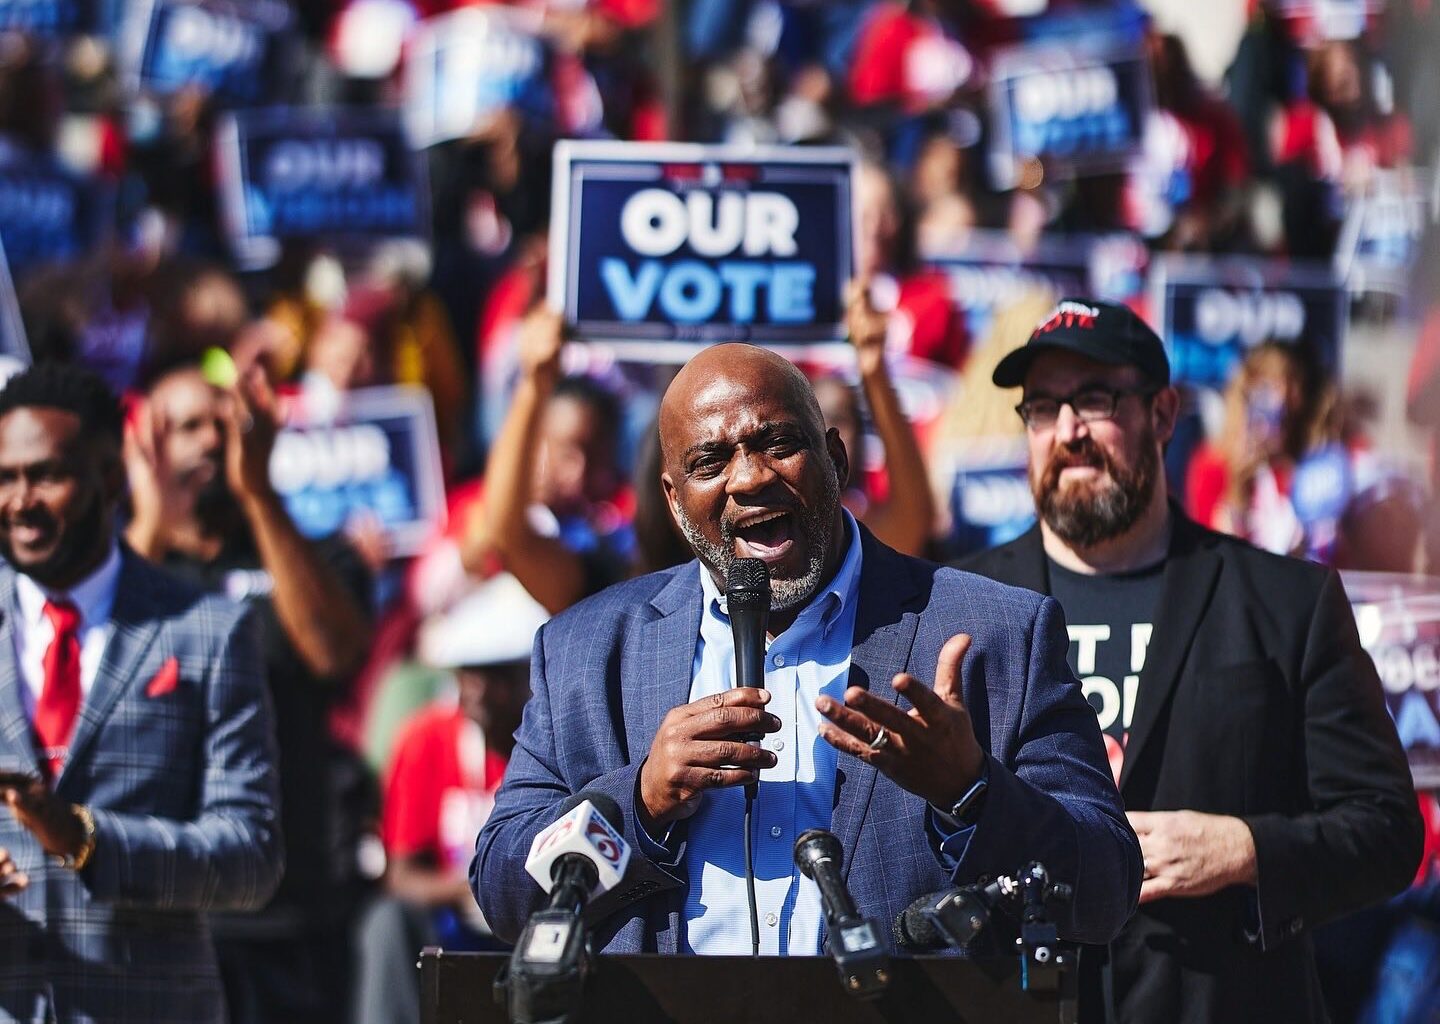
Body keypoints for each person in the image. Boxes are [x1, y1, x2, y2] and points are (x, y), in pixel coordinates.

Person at [473, 342, 1140, 954]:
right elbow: (505, 893)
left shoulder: (997, 633)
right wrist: (639, 803)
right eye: (710, 461)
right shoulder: (584, 654)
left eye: (778, 443)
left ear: (837, 460)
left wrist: (970, 794)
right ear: (674, 502)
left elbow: (1106, 888)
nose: (749, 478)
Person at [957, 299, 1423, 1023]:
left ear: (1164, 415)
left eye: (1095, 400)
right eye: (1043, 408)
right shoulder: (960, 604)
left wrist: (1244, 848)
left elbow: (1389, 831)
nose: (1068, 432)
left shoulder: (1286, 602)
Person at [0, 363, 281, 1022]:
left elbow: (250, 857)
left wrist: (89, 839)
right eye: (5, 477)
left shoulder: (207, 631)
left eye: (46, 475)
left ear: (111, 477)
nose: (20, 500)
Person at [123, 360, 372, 1024]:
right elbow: (95, 677)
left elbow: (332, 652)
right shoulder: (124, 565)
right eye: (184, 427)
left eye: (222, 422)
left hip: (289, 916)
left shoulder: (310, 553)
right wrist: (150, 522)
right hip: (157, 914)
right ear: (143, 446)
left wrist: (260, 492)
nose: (209, 440)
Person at [354, 572, 548, 1024]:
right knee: (385, 922)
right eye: (467, 673)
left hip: (538, 925)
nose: (478, 689)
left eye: (497, 674)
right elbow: (400, 875)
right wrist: (474, 888)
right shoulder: (425, 741)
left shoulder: (563, 747)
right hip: (452, 926)